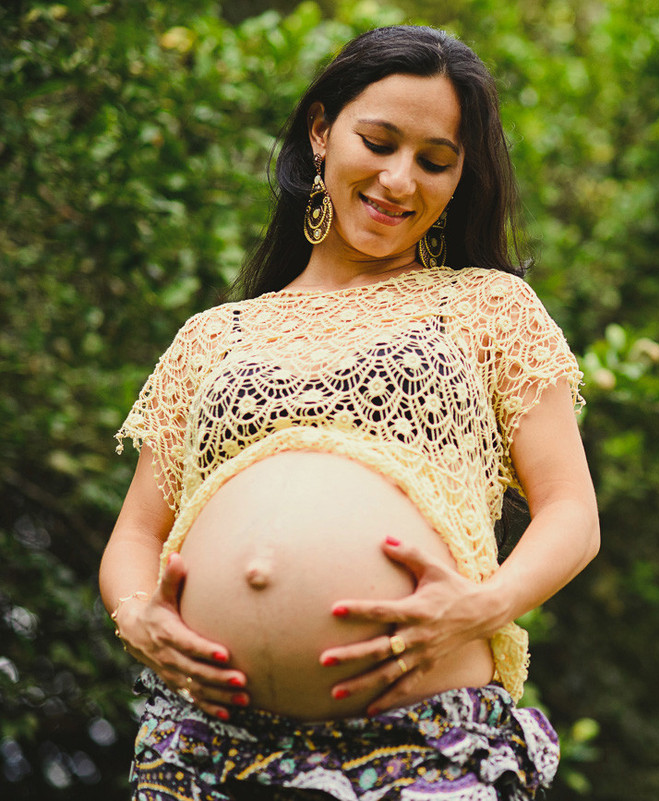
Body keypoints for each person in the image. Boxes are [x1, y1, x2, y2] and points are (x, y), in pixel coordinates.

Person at [98, 25, 599, 801]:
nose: (400, 180)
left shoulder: (490, 308)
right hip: (205, 751)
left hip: (423, 742)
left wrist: (481, 606)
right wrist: (138, 618)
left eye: (436, 161)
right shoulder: (214, 335)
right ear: (322, 130)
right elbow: (136, 532)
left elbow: (571, 510)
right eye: (379, 142)